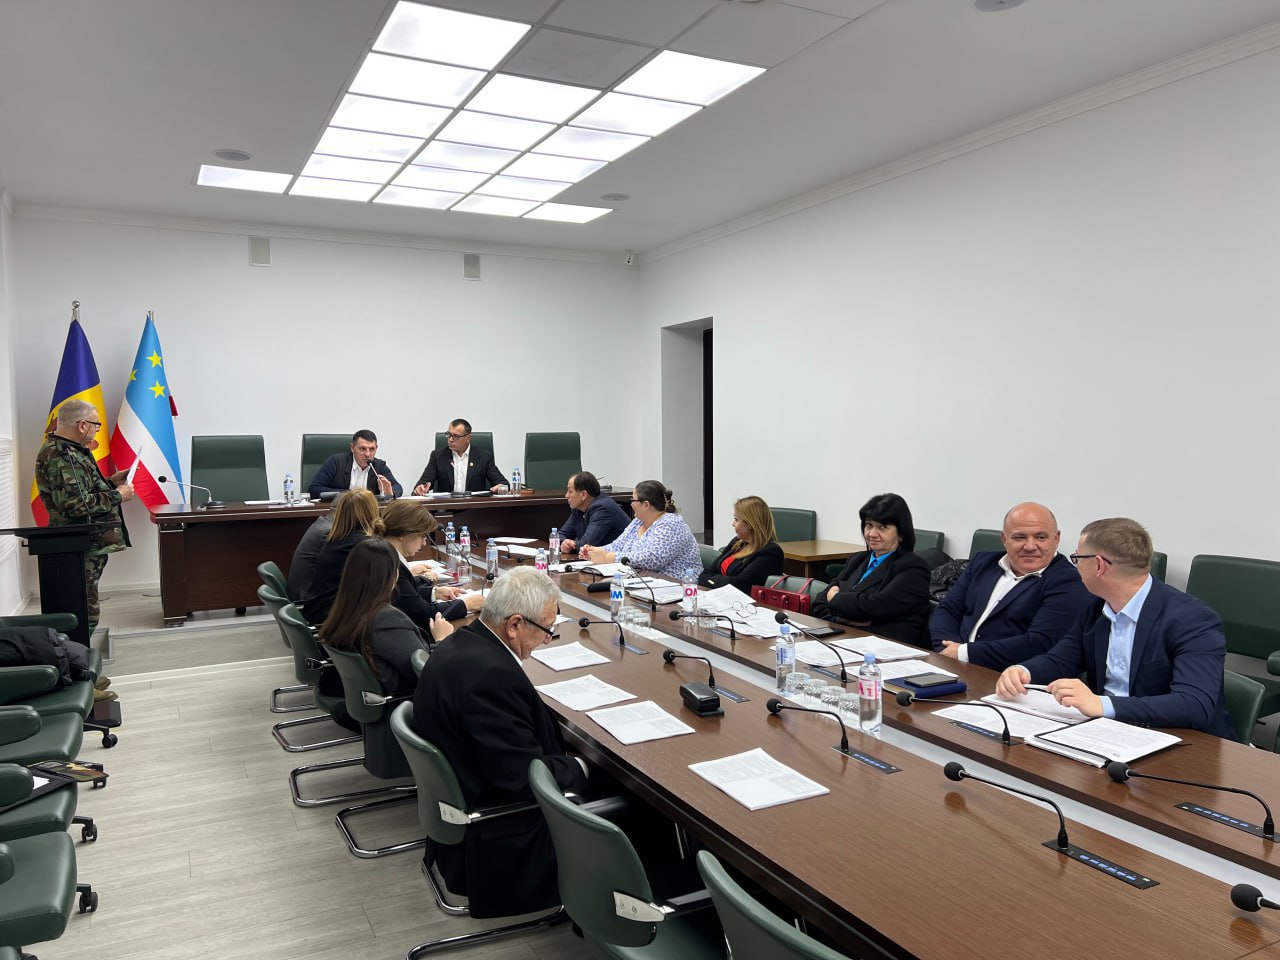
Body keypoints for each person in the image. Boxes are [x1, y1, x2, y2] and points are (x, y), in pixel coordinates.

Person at [411, 566, 588, 918]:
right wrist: (582, 766)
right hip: (501, 839)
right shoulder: (490, 676)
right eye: (546, 630)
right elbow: (521, 778)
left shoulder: (461, 642)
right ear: (514, 624)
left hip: (468, 802)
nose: (548, 640)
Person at [995, 518, 1234, 738]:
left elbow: (1194, 705)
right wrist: (1023, 671)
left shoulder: (1193, 620)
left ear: (1099, 565)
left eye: (1078, 559)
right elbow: (1062, 659)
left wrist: (1102, 705)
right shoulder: (1095, 606)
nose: (1076, 566)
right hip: (1107, 732)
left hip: (1180, 742)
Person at [320, 539, 451, 778]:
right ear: (390, 577)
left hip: (385, 708)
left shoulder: (345, 611)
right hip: (409, 711)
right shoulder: (385, 620)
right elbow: (429, 674)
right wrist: (442, 640)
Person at [930, 502, 1090, 669]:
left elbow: (1040, 642)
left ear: (1056, 539)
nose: (1030, 546)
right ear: (1004, 539)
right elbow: (948, 609)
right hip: (952, 663)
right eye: (1019, 537)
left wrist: (963, 653)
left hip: (1010, 676)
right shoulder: (983, 563)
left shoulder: (1069, 580)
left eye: (1041, 537)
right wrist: (947, 650)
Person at [33, 399, 133, 638]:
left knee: (84, 606)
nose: (97, 430)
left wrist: (111, 483)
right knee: (83, 611)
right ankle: (77, 658)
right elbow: (75, 505)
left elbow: (81, 492)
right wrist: (117, 495)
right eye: (96, 425)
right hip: (79, 544)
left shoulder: (70, 451)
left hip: (84, 542)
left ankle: (77, 654)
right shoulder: (62, 457)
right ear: (82, 425)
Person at [809, 493, 931, 646]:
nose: (872, 534)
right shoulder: (858, 559)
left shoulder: (913, 568)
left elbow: (876, 606)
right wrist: (843, 619)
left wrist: (835, 598)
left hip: (887, 646)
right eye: (869, 525)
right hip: (847, 637)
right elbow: (819, 602)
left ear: (901, 533)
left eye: (882, 527)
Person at [377, 499, 481, 627]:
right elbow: (423, 615)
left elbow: (405, 596)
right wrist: (466, 604)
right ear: (403, 534)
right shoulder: (392, 565)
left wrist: (435, 593)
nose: (424, 542)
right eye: (422, 535)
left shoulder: (383, 553)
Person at [581, 480, 701, 580]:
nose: (631, 504)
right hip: (644, 582)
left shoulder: (671, 524)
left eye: (633, 500)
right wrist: (594, 551)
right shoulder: (638, 521)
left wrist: (608, 557)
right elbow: (617, 545)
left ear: (646, 505)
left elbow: (652, 559)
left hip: (678, 587)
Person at [301, 488, 379, 625]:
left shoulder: (337, 538)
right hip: (331, 618)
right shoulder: (360, 544)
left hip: (319, 608)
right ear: (372, 511)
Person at [699, 495, 784, 593]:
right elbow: (704, 575)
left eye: (736, 519)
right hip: (721, 596)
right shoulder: (738, 543)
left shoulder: (770, 552)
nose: (733, 524)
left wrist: (713, 580)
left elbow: (739, 585)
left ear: (750, 524)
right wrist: (723, 580)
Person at [412, 419, 505, 494]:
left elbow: (502, 483)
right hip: (446, 507)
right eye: (449, 435)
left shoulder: (484, 457)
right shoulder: (438, 456)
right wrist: (421, 488)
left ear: (468, 438)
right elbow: (424, 481)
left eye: (456, 436)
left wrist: (500, 487)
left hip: (474, 507)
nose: (450, 439)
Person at [308, 429, 401, 500]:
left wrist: (390, 492)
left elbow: (398, 487)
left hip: (368, 514)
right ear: (352, 448)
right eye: (362, 449)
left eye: (372, 449)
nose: (367, 454)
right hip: (339, 512)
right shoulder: (336, 462)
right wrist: (350, 494)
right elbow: (314, 489)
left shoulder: (378, 466)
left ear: (376, 448)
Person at [558, 471, 629, 554]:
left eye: (570, 491)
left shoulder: (602, 508)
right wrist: (564, 542)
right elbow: (560, 535)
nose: (566, 495)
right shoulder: (578, 508)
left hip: (619, 558)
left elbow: (586, 546)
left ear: (583, 495)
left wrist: (569, 546)